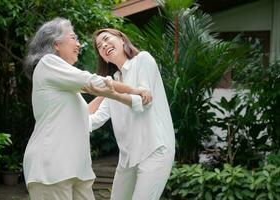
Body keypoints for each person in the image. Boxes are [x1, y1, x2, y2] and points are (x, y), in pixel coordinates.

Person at [23, 18, 151, 200]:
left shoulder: (66, 86)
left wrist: (112, 92)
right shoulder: (47, 63)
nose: (79, 44)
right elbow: (92, 81)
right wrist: (134, 90)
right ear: (56, 44)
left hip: (78, 171)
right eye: (73, 38)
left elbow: (87, 116)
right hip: (51, 168)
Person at [87, 28, 176, 200]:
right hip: (128, 158)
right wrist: (64, 121)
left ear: (121, 39)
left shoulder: (143, 60)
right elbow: (96, 119)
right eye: (99, 46)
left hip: (155, 150)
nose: (104, 45)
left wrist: (110, 92)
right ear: (102, 57)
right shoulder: (114, 80)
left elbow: (144, 101)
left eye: (106, 39)